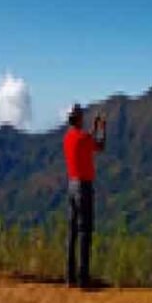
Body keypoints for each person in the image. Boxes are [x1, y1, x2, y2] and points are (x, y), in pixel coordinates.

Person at [63, 104, 106, 289]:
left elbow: (85, 140)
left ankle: (70, 277)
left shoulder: (68, 138)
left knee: (72, 232)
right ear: (79, 118)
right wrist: (102, 129)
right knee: (85, 232)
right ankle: (83, 279)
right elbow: (100, 146)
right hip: (84, 187)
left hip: (71, 185)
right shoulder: (83, 138)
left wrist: (93, 129)